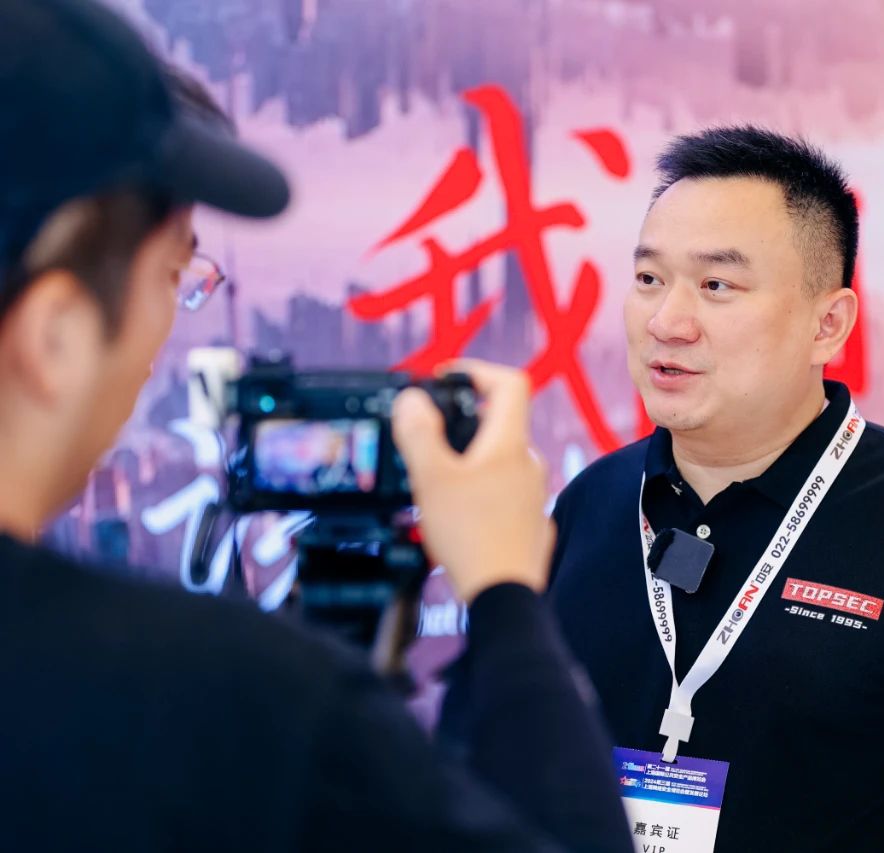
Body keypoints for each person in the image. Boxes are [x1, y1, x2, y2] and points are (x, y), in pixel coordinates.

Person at [0, 1, 629, 851]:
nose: (171, 322)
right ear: (58, 334)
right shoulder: (227, 704)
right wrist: (506, 598)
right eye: (173, 274)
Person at [540, 127, 884, 851]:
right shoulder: (588, 506)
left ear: (828, 325)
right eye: (649, 279)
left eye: (717, 286)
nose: (666, 322)